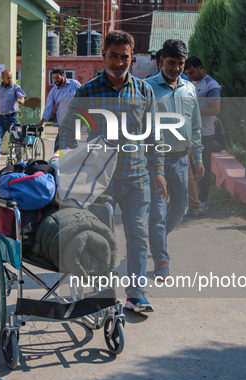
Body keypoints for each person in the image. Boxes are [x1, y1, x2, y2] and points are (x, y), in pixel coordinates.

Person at [59, 30, 167, 313]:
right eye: (113, 56)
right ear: (103, 56)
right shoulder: (87, 92)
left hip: (136, 178)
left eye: (125, 57)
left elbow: (155, 135)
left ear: (132, 57)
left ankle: (136, 294)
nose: (119, 62)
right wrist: (66, 166)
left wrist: (159, 172)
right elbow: (68, 133)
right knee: (101, 241)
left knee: (138, 237)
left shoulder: (144, 91)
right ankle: (103, 295)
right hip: (99, 182)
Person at [144, 39, 203, 279]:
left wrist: (198, 157)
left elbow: (195, 126)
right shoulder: (145, 88)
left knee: (181, 208)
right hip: (153, 162)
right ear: (160, 61)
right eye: (171, 62)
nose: (176, 68)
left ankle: (157, 237)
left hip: (181, 160)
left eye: (180, 63)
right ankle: (161, 260)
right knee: (157, 212)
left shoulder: (189, 89)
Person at [184, 56, 221, 211]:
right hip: (190, 132)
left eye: (192, 72)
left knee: (202, 166)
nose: (190, 76)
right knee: (190, 167)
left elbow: (215, 109)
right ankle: (193, 199)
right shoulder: (192, 84)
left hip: (205, 133)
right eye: (188, 74)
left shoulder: (211, 85)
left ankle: (204, 200)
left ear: (200, 67)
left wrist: (192, 112)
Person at [0, 70, 26, 168]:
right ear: (2, 78)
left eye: (11, 77)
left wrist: (21, 100)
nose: (10, 79)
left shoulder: (15, 87)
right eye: (8, 77)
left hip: (12, 119)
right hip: (0, 119)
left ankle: (19, 160)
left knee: (16, 140)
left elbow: (22, 97)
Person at [37, 68, 81, 152]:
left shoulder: (74, 84)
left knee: (73, 144)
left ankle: (74, 162)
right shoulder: (54, 91)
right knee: (59, 145)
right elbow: (48, 107)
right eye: (53, 78)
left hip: (76, 120)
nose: (55, 80)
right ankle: (58, 162)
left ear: (63, 76)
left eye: (57, 78)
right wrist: (42, 121)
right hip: (63, 122)